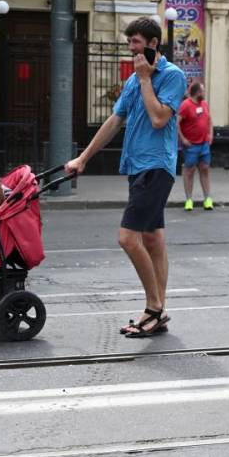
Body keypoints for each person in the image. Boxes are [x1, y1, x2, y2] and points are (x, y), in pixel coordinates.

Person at [65, 17, 186, 338]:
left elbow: (160, 119)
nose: (131, 48)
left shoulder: (172, 76)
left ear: (153, 43)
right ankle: (158, 309)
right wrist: (83, 158)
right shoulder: (133, 80)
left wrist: (147, 79)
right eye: (129, 42)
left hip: (156, 165)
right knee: (152, 239)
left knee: (127, 238)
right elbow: (114, 121)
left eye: (136, 42)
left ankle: (153, 308)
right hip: (136, 166)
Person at [178, 80, 215, 211]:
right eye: (203, 90)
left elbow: (209, 119)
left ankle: (207, 199)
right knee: (189, 171)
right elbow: (176, 123)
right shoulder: (185, 105)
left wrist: (211, 133)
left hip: (204, 144)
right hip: (191, 145)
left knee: (205, 168)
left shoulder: (204, 104)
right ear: (197, 92)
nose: (204, 92)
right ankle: (189, 200)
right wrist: (183, 139)